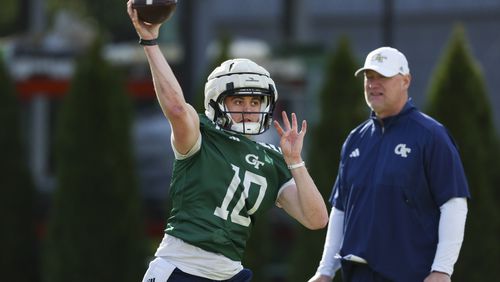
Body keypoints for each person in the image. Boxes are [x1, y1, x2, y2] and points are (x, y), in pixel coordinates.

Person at [126, 2, 328, 281]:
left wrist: (296, 162)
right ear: (216, 102)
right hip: (181, 268)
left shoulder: (272, 158)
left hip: (230, 273)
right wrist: (150, 42)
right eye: (238, 100)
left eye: (255, 100)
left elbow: (316, 219)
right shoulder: (201, 135)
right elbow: (175, 108)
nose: (248, 107)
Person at [308, 47, 470, 282]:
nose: (373, 84)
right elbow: (341, 209)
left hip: (412, 275)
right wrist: (325, 270)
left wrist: (442, 269)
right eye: (369, 77)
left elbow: (454, 204)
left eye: (382, 77)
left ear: (406, 81)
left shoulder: (431, 135)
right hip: (357, 275)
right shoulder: (355, 138)